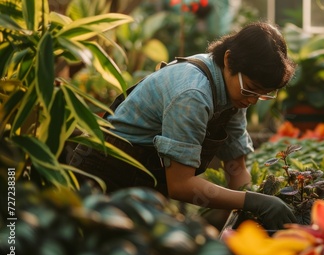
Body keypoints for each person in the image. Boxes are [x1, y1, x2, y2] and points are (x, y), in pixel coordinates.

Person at [69, 21, 297, 230]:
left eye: (263, 94)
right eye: (251, 88)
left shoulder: (234, 93)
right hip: (104, 176)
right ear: (229, 60)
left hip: (144, 181)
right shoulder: (193, 93)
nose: (253, 100)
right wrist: (253, 201)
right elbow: (180, 185)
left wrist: (254, 208)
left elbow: (235, 168)